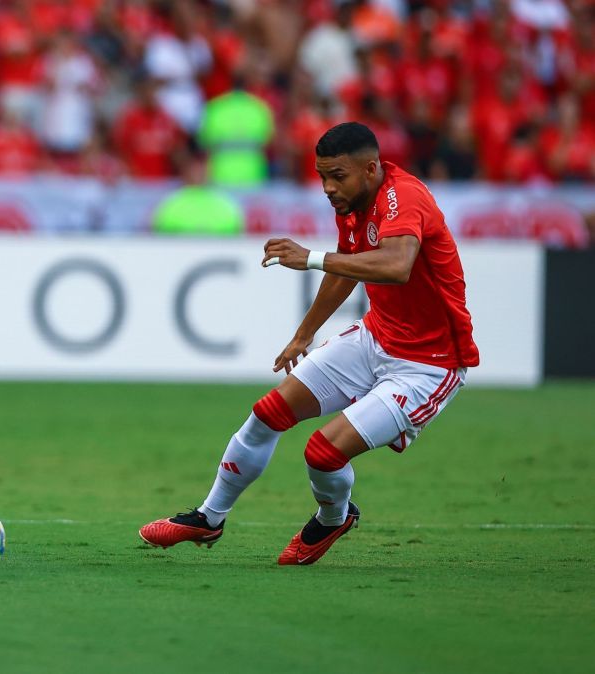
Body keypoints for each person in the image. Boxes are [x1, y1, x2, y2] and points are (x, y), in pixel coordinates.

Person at [139, 122, 479, 565]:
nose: (327, 187)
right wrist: (304, 333)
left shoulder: (404, 197)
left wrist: (311, 258)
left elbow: (397, 265)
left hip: (427, 365)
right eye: (322, 176)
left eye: (337, 175)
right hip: (375, 337)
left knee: (322, 453)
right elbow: (348, 267)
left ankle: (333, 518)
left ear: (371, 168)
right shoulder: (354, 201)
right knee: (267, 414)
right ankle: (209, 517)